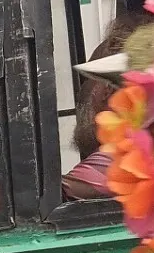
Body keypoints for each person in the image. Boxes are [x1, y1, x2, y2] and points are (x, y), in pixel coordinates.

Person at [62, 13, 149, 201]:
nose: (82, 91)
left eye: (88, 80)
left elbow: (35, 206)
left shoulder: (117, 157)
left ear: (107, 89)